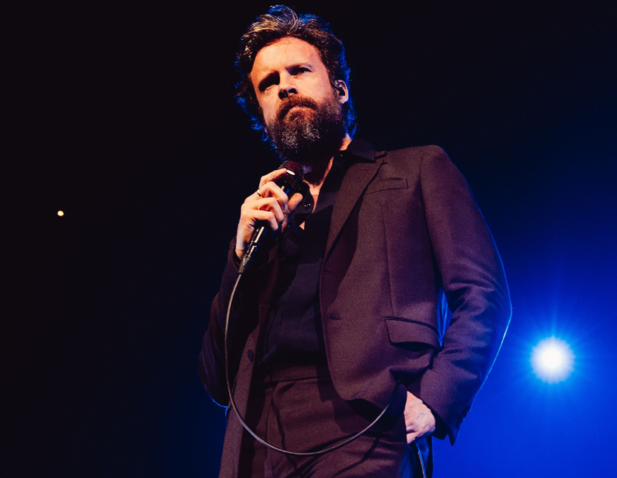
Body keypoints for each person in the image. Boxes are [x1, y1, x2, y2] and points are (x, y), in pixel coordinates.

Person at [198, 6, 512, 478]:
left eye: (299, 71)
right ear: (263, 117)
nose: (284, 86)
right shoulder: (266, 215)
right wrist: (239, 255)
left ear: (340, 90)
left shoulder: (415, 170)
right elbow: (215, 376)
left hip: (366, 426)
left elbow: (483, 296)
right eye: (268, 83)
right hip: (257, 441)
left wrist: (437, 398)